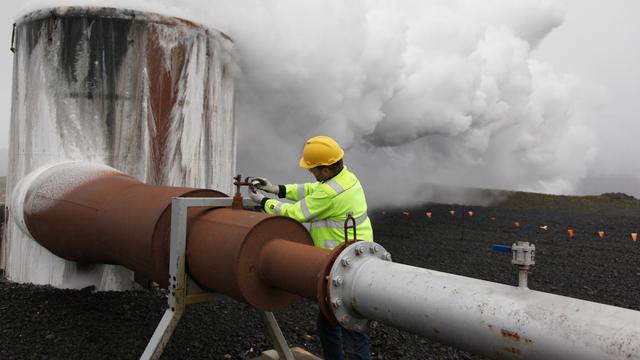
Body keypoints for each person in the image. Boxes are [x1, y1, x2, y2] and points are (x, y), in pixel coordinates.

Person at [249, 135, 373, 360]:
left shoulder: (329, 193)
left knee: (351, 330)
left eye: (313, 170)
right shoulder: (345, 178)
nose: (311, 174)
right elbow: (310, 190)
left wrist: (264, 202)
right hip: (352, 256)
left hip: (344, 265)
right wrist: (277, 189)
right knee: (329, 323)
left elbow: (296, 213)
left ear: (326, 170)